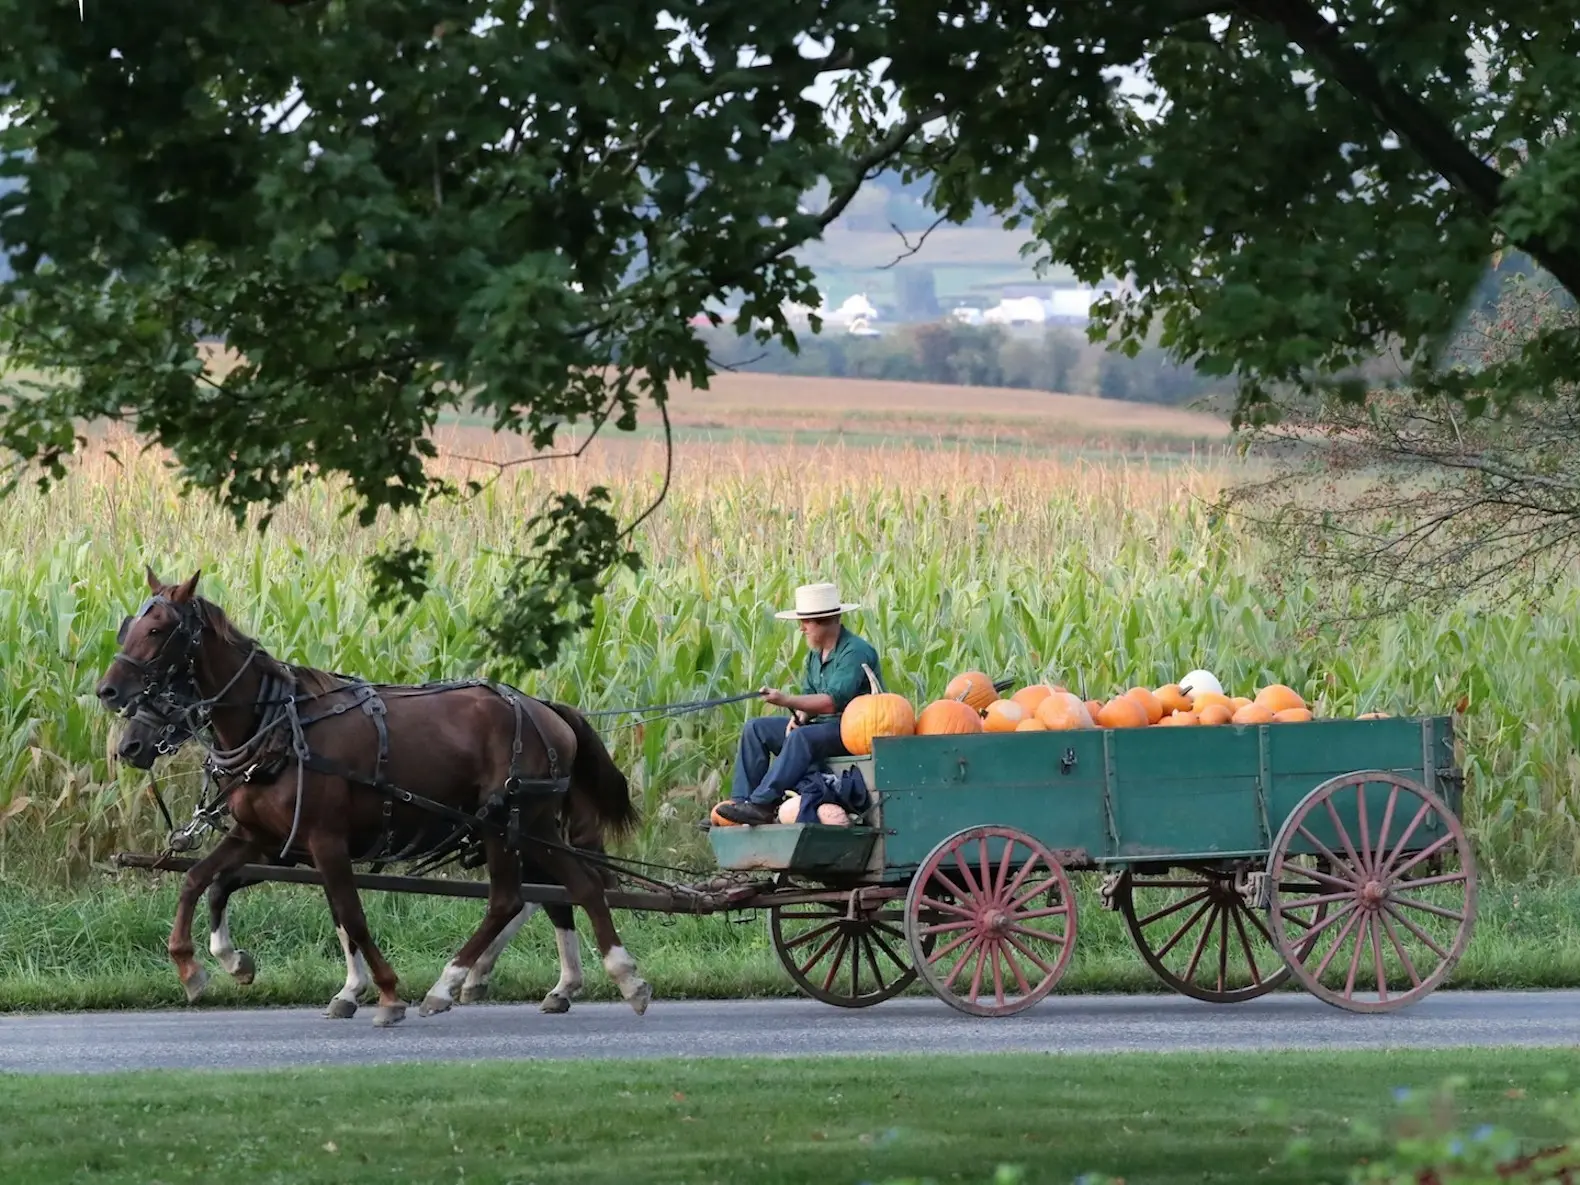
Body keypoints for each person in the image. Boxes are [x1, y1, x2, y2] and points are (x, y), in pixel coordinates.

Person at [711, 581, 881, 826]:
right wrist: (799, 716)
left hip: (851, 729)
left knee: (802, 738)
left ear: (826, 620)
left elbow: (830, 702)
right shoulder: (815, 655)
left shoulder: (854, 651)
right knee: (756, 729)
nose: (802, 629)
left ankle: (762, 804)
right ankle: (741, 804)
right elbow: (809, 696)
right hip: (821, 727)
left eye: (806, 622)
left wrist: (785, 700)